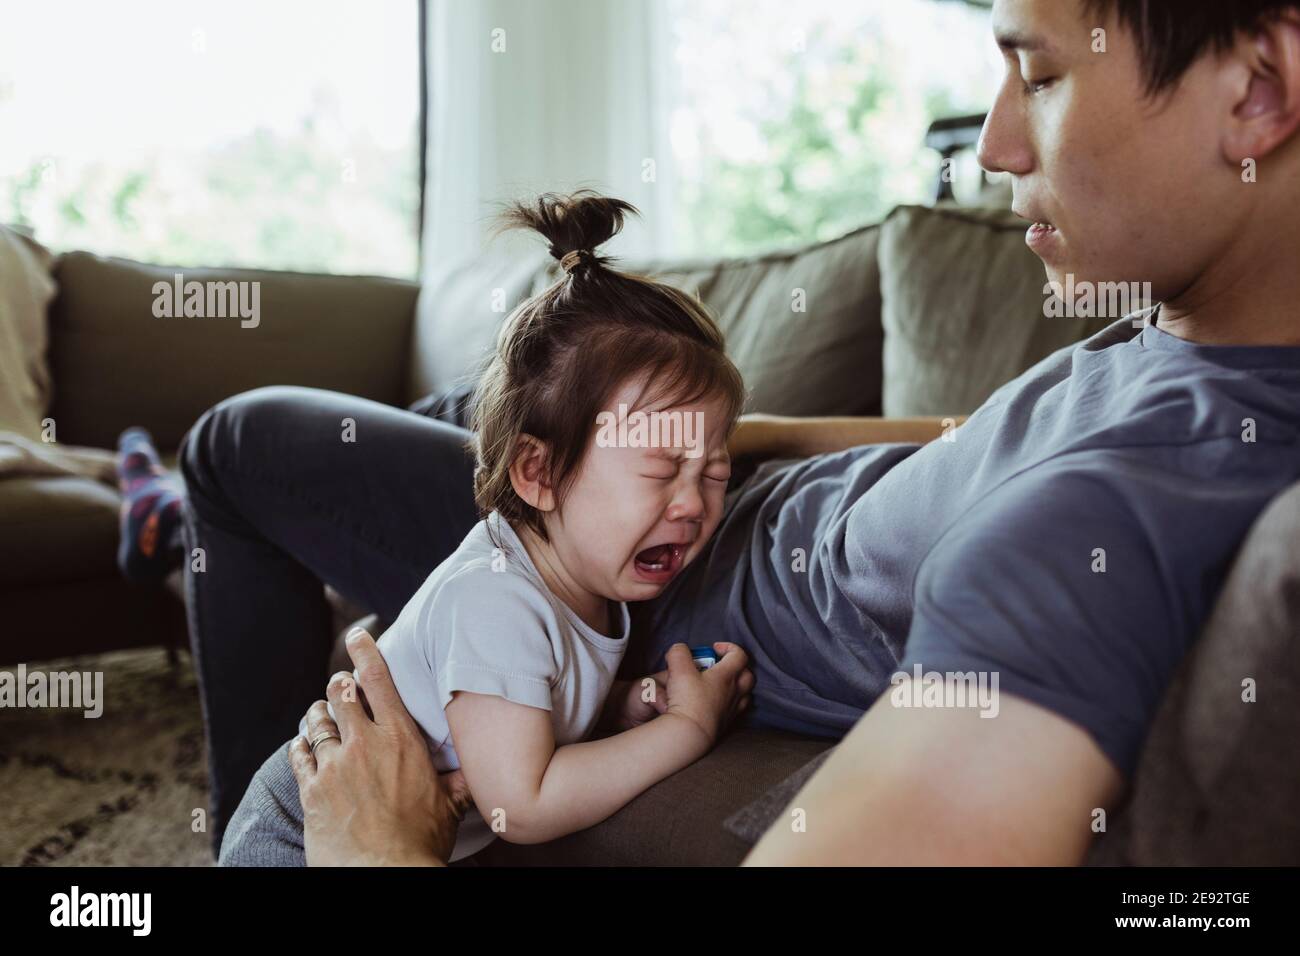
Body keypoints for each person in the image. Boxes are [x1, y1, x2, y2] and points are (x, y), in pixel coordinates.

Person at [173, 0, 1300, 864]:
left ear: (1256, 89)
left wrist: (373, 843)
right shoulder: (1183, 330)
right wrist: (754, 438)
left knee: (238, 441)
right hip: (678, 493)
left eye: (1038, 72)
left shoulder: (1112, 511)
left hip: (610, 563)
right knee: (477, 406)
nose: (996, 144)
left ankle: (248, 822)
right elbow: (974, 440)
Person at [216, 192, 757, 864]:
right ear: (540, 473)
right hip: (299, 838)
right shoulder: (495, 600)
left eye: (714, 473)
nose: (692, 504)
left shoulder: (578, 578)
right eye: (660, 470)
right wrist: (686, 729)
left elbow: (534, 703)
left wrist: (623, 706)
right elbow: (520, 807)